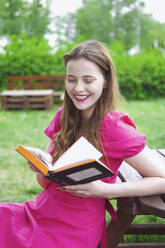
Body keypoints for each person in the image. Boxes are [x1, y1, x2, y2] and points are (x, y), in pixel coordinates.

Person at [0, 40, 165, 248]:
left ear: (105, 80)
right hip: (41, 210)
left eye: (88, 80)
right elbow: (45, 185)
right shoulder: (64, 116)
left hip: (74, 228)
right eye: (71, 79)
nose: (78, 88)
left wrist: (105, 191)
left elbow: (162, 177)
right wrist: (42, 167)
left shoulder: (114, 127)